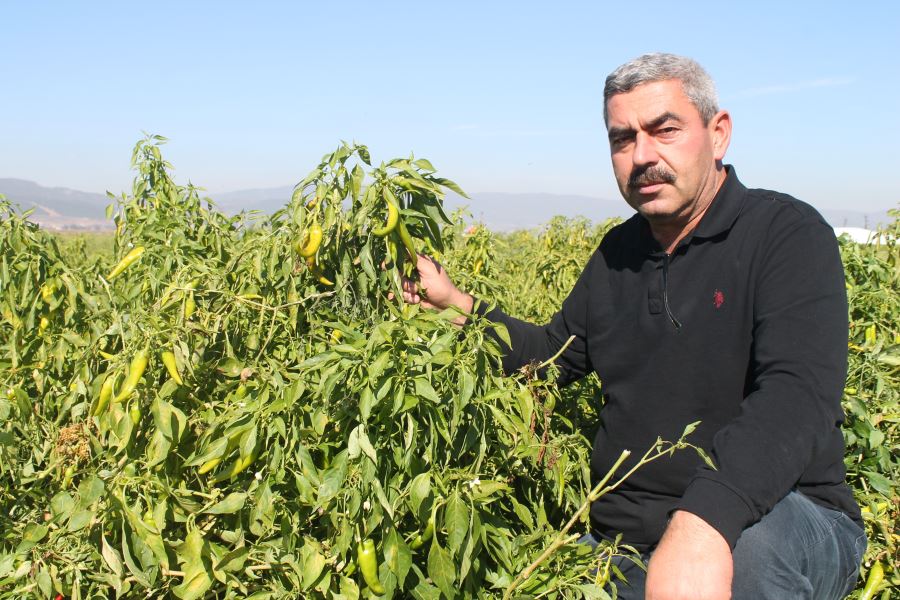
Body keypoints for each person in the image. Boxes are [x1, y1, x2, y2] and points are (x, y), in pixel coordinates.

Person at [401, 53, 866, 599]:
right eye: (622, 139)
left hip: (780, 518)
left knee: (752, 559)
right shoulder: (616, 256)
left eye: (664, 130)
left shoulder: (784, 234)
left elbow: (796, 397)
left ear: (718, 135)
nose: (642, 155)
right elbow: (551, 356)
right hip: (626, 544)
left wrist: (704, 522)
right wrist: (457, 305)